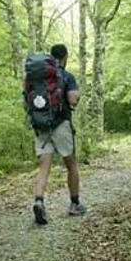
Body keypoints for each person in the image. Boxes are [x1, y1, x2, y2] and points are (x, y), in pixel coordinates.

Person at [32, 44, 85, 225]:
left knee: (44, 167)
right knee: (71, 164)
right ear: (65, 57)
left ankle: (39, 201)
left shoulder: (39, 77)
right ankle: (74, 204)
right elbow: (72, 100)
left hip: (41, 125)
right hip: (61, 124)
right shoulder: (66, 76)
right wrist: (76, 96)